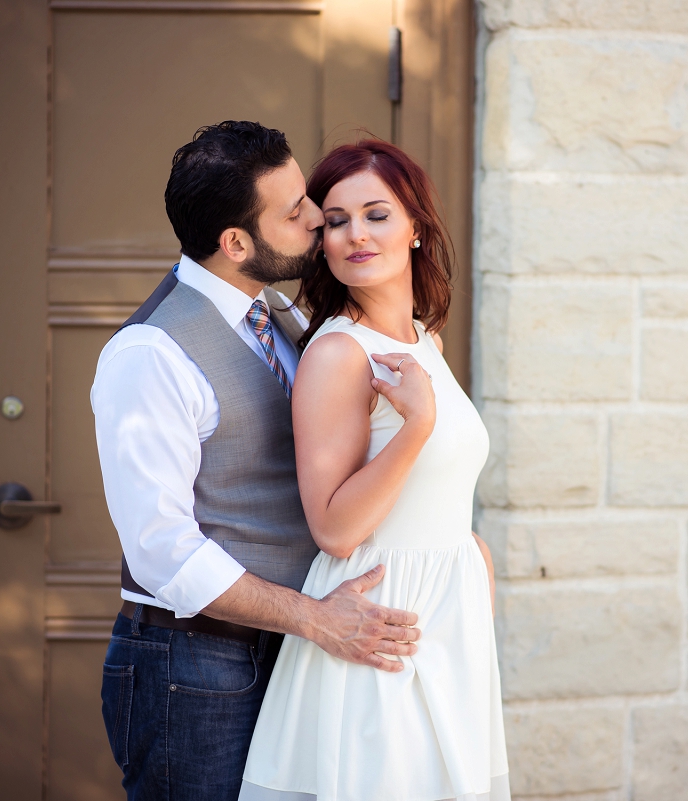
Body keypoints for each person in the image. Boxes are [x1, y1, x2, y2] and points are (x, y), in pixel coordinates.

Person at [92, 121, 423, 801]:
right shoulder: (150, 355)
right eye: (296, 210)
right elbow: (164, 552)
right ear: (236, 243)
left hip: (286, 651)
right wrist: (314, 617)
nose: (317, 218)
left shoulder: (276, 315)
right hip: (192, 667)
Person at [239, 140, 510, 800]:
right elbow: (334, 527)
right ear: (322, 242)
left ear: (417, 226)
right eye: (335, 220)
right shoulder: (339, 353)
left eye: (376, 214)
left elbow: (437, 489)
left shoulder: (423, 339)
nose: (356, 233)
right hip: (377, 634)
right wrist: (415, 427)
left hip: (447, 627)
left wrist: (472, 559)